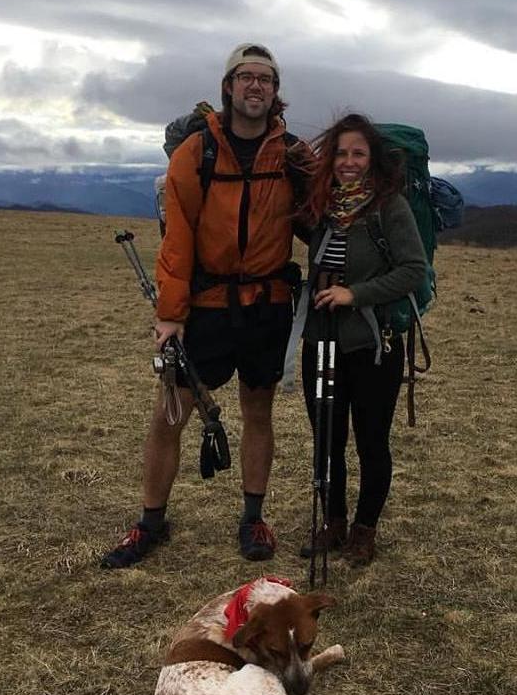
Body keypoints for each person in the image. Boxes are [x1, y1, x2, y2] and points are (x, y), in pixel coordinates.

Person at [101, 43, 304, 568]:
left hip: (268, 304)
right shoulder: (197, 151)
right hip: (206, 306)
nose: (256, 86)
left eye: (266, 79)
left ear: (276, 93)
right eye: (246, 77)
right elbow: (178, 238)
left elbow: (323, 211)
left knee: (258, 412)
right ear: (229, 87)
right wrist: (170, 313)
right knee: (170, 415)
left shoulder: (293, 154)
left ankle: (253, 519)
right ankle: (151, 522)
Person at [297, 113, 427, 566]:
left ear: (373, 160)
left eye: (358, 153)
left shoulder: (390, 207)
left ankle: (364, 529)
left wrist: (355, 294)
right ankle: (333, 522)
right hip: (320, 341)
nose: (348, 162)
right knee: (326, 439)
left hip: (375, 346)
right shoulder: (319, 206)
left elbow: (414, 271)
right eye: (341, 153)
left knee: (372, 441)